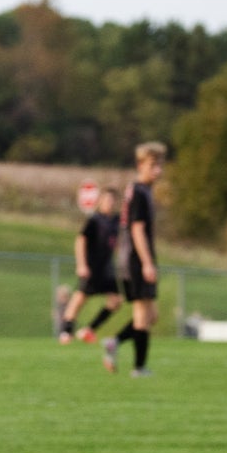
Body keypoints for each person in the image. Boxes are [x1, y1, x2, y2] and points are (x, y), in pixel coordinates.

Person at [102, 142, 167, 377]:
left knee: (152, 316)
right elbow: (137, 229)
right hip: (135, 260)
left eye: (160, 165)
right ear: (140, 165)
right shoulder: (138, 191)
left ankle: (114, 342)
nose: (158, 171)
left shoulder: (143, 191)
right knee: (142, 314)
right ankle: (139, 368)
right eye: (153, 165)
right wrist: (147, 262)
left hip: (137, 258)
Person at [58, 187, 121, 344]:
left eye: (112, 200)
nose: (110, 203)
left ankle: (89, 330)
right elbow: (80, 241)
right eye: (107, 200)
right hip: (92, 267)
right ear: (100, 201)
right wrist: (81, 264)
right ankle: (66, 332)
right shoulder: (94, 220)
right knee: (79, 299)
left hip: (107, 269)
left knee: (116, 300)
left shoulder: (116, 221)